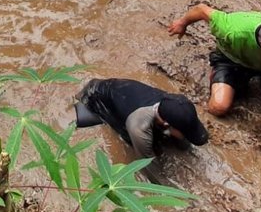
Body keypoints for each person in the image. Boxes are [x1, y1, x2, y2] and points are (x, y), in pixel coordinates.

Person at [74, 78, 208, 185]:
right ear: (167, 124)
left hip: (125, 93)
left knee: (176, 141)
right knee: (135, 140)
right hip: (95, 97)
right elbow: (150, 170)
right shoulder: (139, 128)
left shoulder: (174, 104)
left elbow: (184, 139)